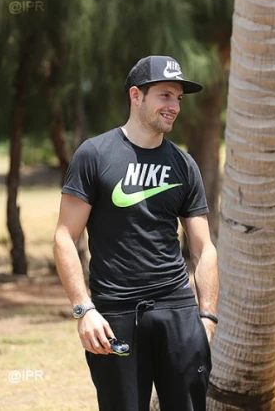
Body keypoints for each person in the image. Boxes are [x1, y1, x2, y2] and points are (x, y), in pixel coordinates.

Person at [52, 55, 219, 411]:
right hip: (115, 316)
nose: (174, 106)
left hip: (178, 312)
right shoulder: (94, 155)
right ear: (136, 96)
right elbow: (65, 237)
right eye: (165, 95)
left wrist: (206, 318)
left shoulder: (183, 164)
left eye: (178, 98)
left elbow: (204, 249)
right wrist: (85, 310)